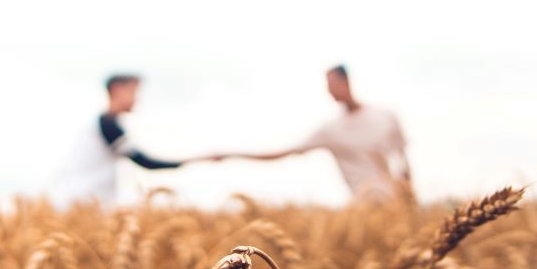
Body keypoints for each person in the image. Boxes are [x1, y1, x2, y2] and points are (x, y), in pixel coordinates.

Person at [214, 65, 413, 203]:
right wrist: (232, 154)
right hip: (363, 208)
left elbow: (402, 161)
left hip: (395, 206)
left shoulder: (386, 116)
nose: (328, 90)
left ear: (346, 81)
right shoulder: (331, 130)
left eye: (331, 83)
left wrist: (409, 197)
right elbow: (284, 152)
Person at [50, 74, 208, 205]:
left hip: (84, 201)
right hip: (84, 202)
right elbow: (145, 162)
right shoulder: (108, 125)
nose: (137, 99)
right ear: (117, 90)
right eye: (133, 92)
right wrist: (197, 160)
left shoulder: (102, 124)